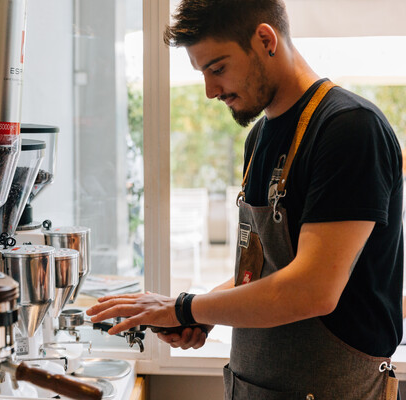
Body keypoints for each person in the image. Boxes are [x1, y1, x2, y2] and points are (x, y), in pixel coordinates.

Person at [86, 0, 404, 398]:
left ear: (266, 39)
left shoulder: (350, 129)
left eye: (217, 68)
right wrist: (199, 310)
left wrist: (187, 308)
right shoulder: (259, 138)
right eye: (202, 73)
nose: (209, 91)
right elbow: (261, 271)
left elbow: (313, 289)